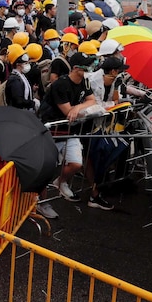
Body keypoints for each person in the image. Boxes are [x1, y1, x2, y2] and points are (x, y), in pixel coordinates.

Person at [40, 52, 108, 210]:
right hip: (52, 132)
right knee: (46, 169)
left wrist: (78, 107)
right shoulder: (60, 85)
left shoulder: (84, 81)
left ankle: (60, 181)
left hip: (71, 131)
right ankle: (41, 202)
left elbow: (91, 100)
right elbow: (67, 112)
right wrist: (76, 108)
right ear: (76, 68)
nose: (90, 69)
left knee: (76, 164)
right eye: (87, 66)